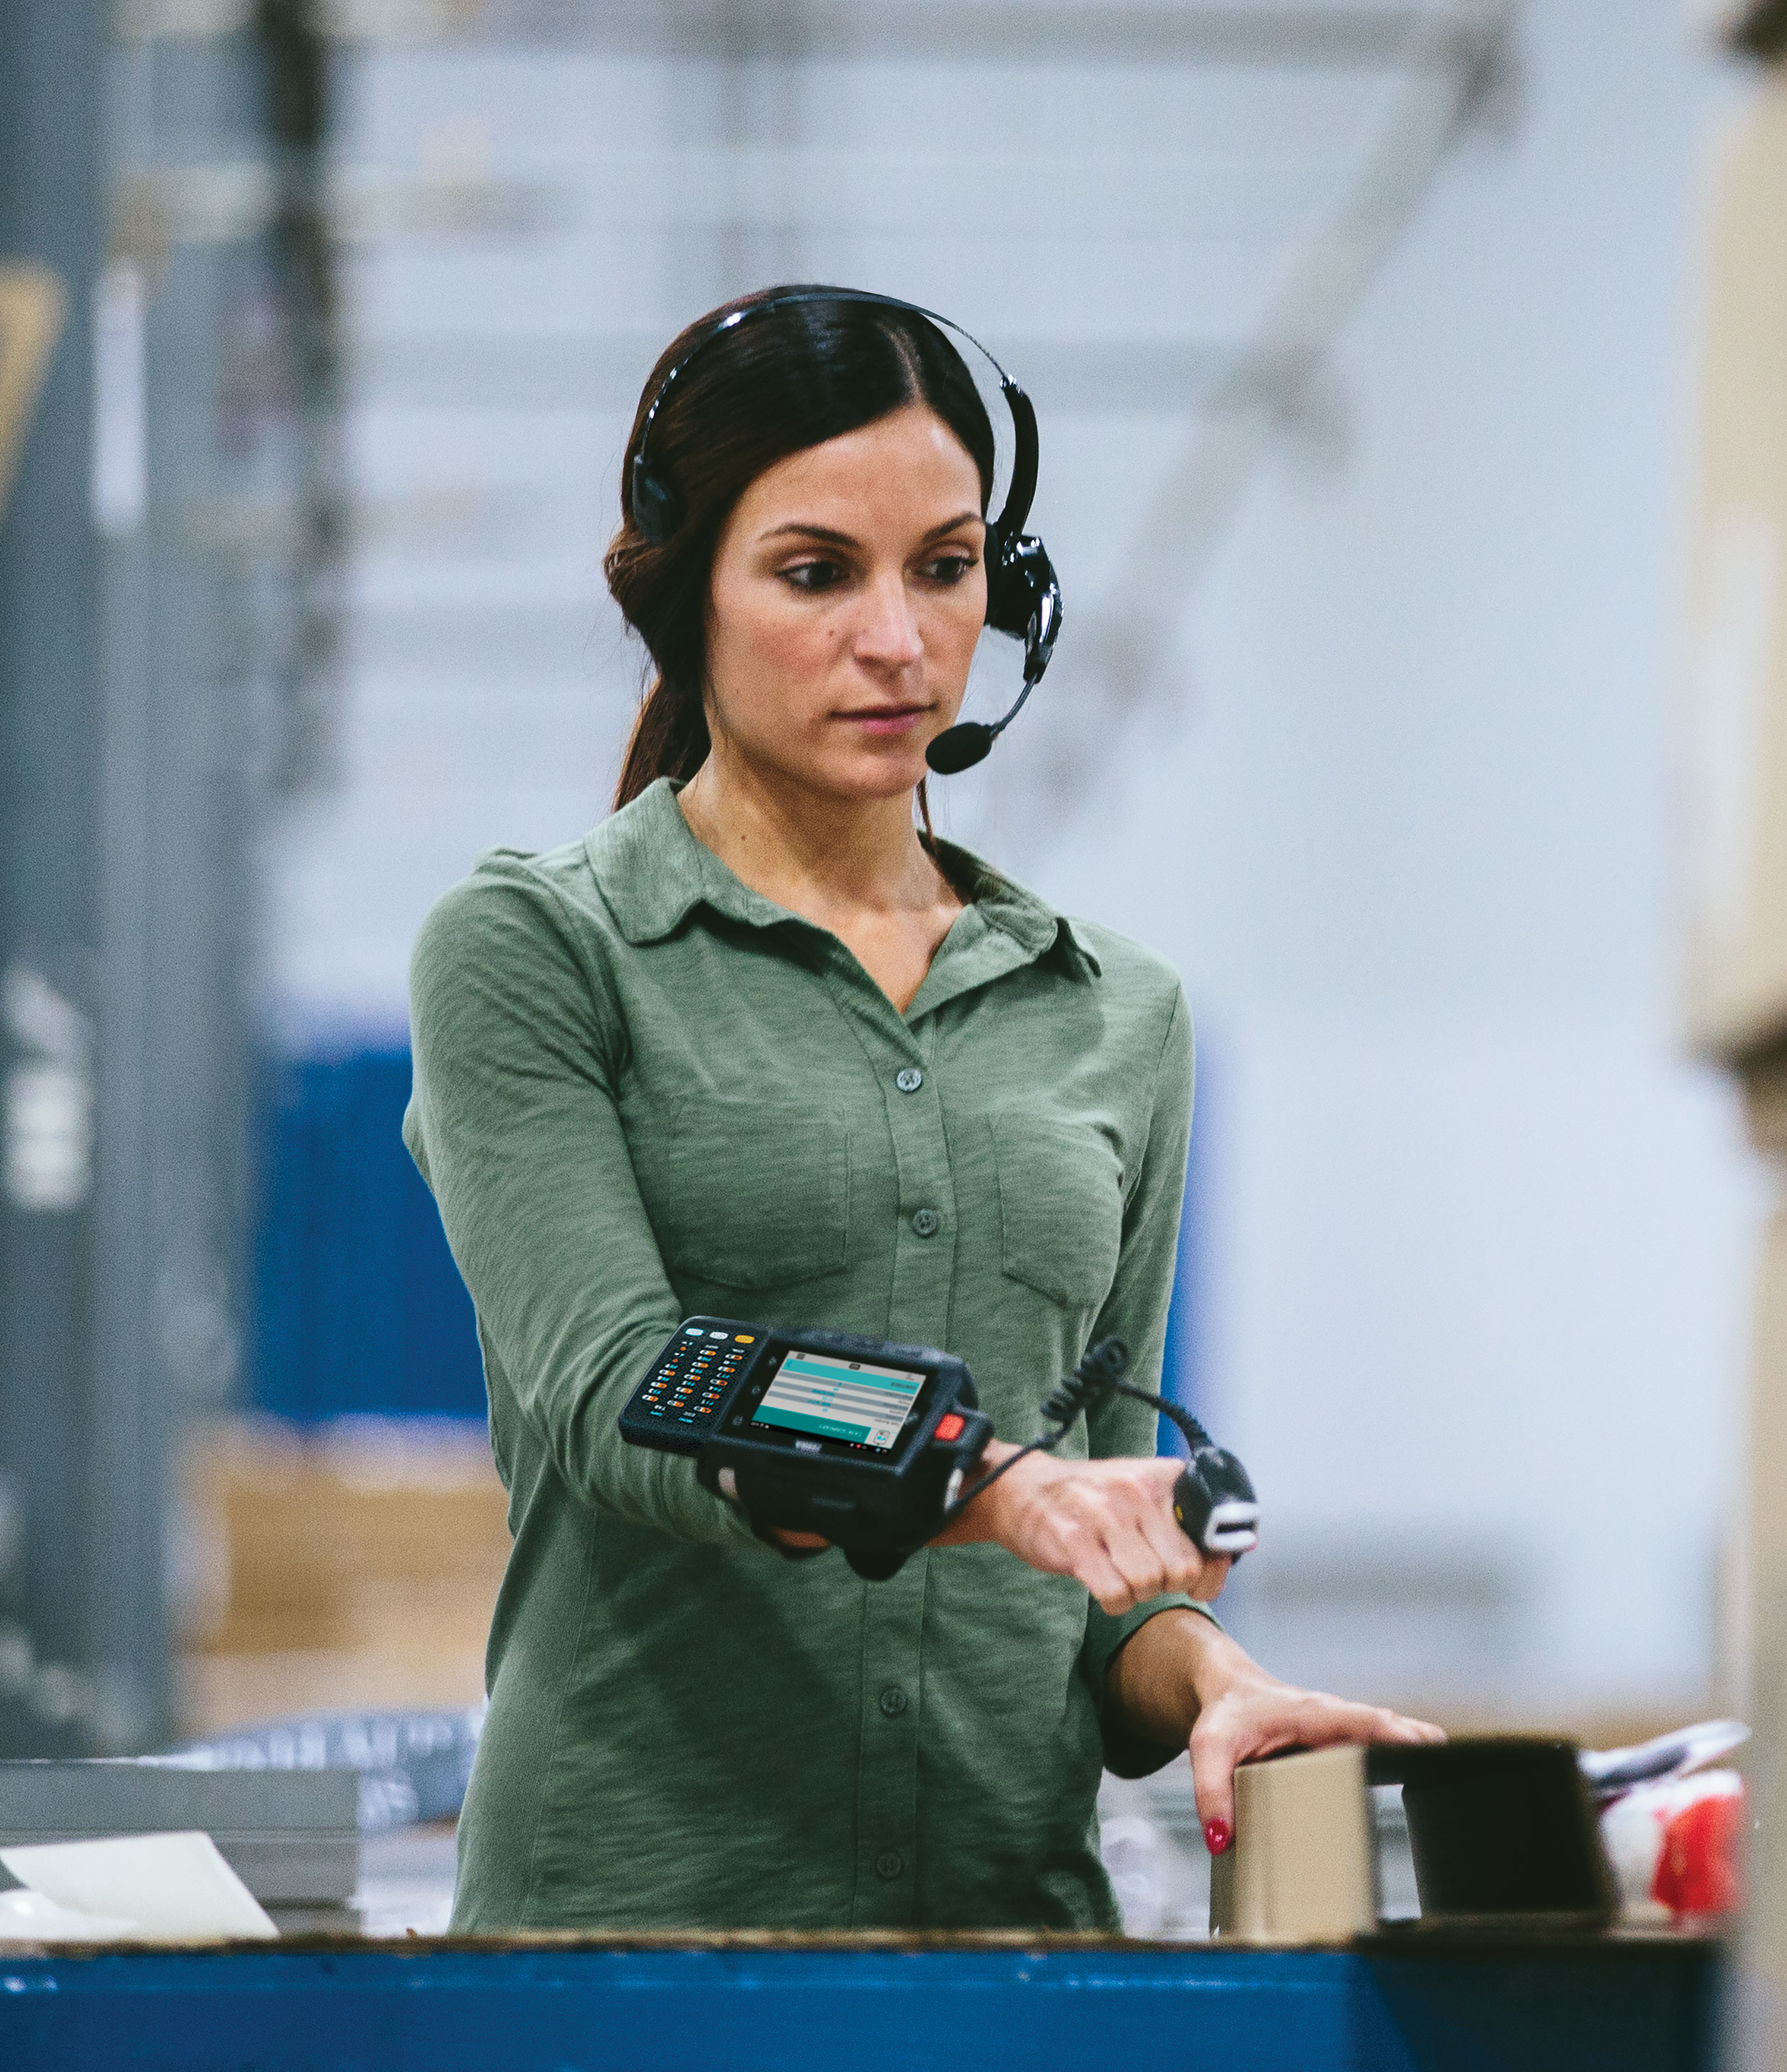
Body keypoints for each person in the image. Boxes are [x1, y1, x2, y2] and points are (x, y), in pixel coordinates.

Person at [405, 286, 1439, 1932]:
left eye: (946, 569)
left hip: (1009, 1947)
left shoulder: (1118, 1016)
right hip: (626, 1950)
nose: (898, 640)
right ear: (688, 595)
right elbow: (620, 1391)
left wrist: (1213, 1677)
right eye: (817, 573)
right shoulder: (541, 952)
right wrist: (988, 1478)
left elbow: (1106, 1567)